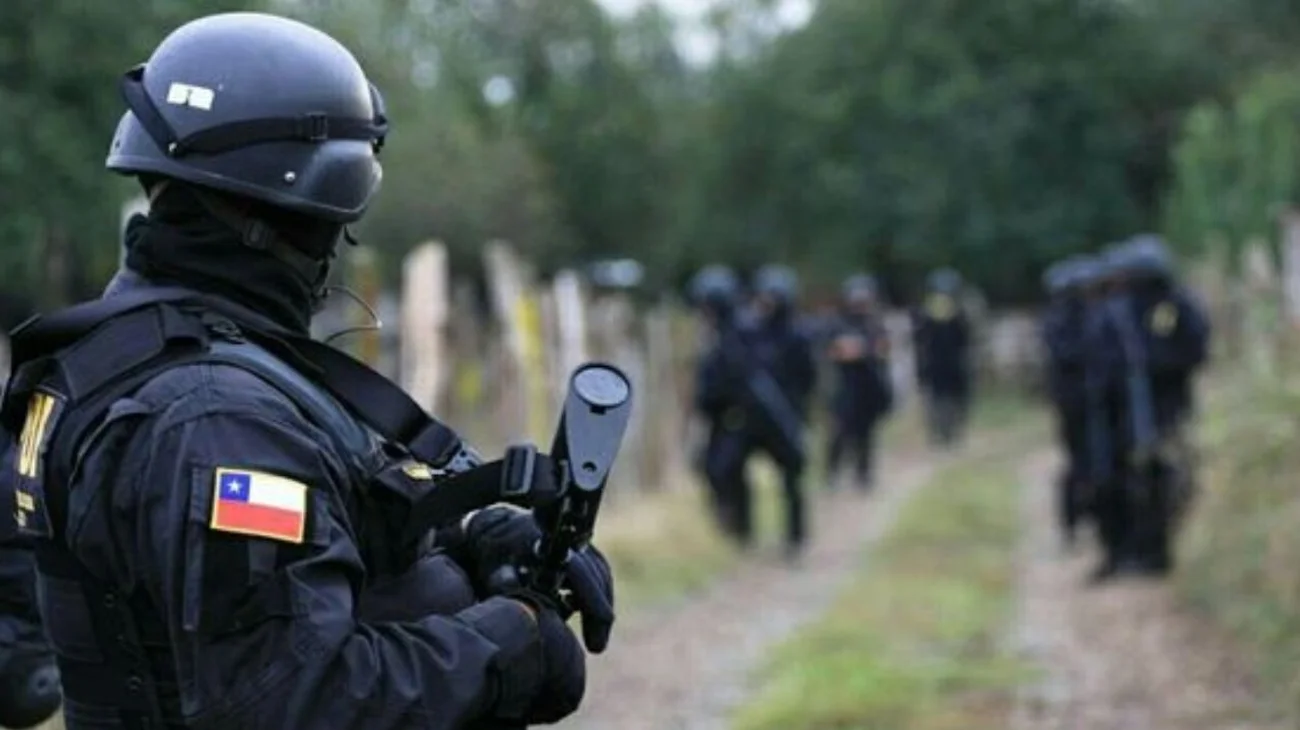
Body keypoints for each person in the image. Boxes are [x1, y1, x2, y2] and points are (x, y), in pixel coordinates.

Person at [0, 13, 614, 729]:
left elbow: (312, 547)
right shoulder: (218, 418)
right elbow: (293, 699)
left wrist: (469, 540)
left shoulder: (143, 357)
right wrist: (509, 642)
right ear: (306, 205)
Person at [1098, 235, 1210, 578]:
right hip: (1132, 414)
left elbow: (1196, 350)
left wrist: (1161, 365)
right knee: (1137, 484)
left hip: (1168, 410)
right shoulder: (1122, 311)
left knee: (1168, 483)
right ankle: (1144, 552)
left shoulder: (1175, 305)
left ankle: (1161, 552)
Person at [749, 265, 816, 559]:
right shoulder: (751, 334)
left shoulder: (798, 336)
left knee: (792, 480)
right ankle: (743, 533)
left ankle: (795, 538)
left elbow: (809, 379)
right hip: (755, 419)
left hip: (788, 417)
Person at [688, 265, 754, 546]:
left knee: (727, 469)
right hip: (716, 416)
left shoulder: (737, 335)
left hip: (735, 416)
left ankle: (739, 530)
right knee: (713, 468)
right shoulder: (715, 333)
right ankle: (728, 529)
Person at [1040, 257, 1099, 547]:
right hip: (1077, 401)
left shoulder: (1065, 317)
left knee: (1082, 461)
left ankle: (1079, 521)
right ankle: (1074, 521)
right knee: (1080, 462)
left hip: (1080, 400)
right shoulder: (1063, 319)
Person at [825, 274, 893, 492]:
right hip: (845, 388)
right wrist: (859, 350)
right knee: (839, 434)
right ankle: (832, 475)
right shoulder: (839, 323)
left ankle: (863, 476)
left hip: (869, 388)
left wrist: (861, 350)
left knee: (866, 436)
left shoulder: (875, 324)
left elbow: (882, 350)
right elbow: (835, 352)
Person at [912, 268, 973, 447]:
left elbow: (966, 338)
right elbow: (919, 339)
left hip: (952, 365)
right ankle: (942, 434)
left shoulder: (961, 312)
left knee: (954, 400)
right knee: (938, 401)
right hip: (936, 365)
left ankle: (949, 433)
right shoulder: (924, 313)